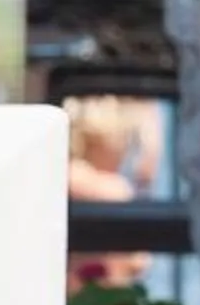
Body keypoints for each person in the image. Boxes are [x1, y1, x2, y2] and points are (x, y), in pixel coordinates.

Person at [64, 98, 153, 289]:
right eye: (127, 138)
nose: (128, 150)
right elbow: (138, 260)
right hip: (87, 294)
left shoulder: (64, 176)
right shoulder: (109, 188)